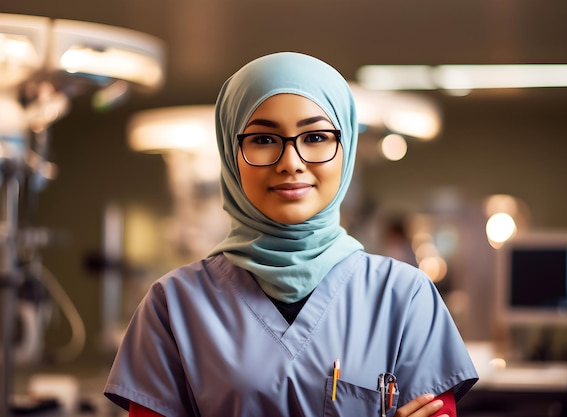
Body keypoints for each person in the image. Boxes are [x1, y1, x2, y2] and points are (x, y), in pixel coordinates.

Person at [104, 52, 478, 417]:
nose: (291, 163)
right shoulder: (173, 305)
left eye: (316, 137)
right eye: (264, 140)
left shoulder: (405, 297)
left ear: (345, 149)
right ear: (230, 153)